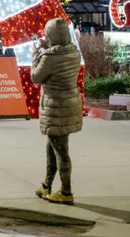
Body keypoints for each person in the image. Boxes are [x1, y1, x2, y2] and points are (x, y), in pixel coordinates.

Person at [32, 18, 83, 205]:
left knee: (61, 151)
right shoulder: (74, 52)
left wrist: (36, 54)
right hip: (70, 104)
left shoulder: (49, 57)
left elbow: (36, 77)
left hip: (55, 107)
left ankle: (66, 192)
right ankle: (47, 185)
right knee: (52, 147)